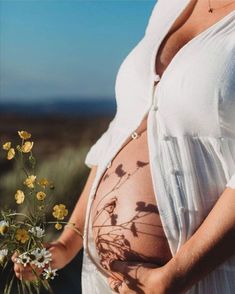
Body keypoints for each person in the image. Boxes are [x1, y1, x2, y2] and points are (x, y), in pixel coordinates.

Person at [12, 0, 235, 293]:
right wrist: (68, 243)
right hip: (105, 280)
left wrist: (177, 275)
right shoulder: (170, 5)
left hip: (199, 278)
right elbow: (122, 128)